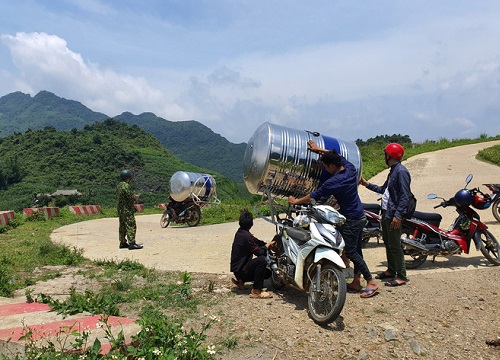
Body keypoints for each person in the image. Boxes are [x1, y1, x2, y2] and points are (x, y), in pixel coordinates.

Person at [288, 140, 379, 298]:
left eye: (325, 167)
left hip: (351, 219)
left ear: (331, 166)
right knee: (357, 250)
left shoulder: (334, 182)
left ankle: (371, 281)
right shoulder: (350, 168)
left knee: (350, 251)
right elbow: (338, 156)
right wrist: (318, 150)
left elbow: (314, 195)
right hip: (360, 216)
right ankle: (356, 281)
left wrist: (295, 201)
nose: (325, 169)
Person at [359, 143, 411, 287]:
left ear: (389, 156)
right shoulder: (393, 171)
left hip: (394, 214)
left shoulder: (401, 172)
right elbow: (384, 190)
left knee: (395, 245)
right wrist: (366, 184)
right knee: (388, 243)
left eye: (385, 154)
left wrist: (398, 215)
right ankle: (391, 270)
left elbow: (405, 196)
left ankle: (401, 276)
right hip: (387, 213)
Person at [230, 210, 276, 299]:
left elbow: (256, 241)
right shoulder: (246, 236)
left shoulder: (241, 232)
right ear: (251, 224)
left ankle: (241, 281)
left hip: (238, 270)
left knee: (267, 273)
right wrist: (267, 246)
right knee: (262, 260)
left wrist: (268, 244)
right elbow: (259, 252)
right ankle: (256, 291)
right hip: (241, 271)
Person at [117, 169, 143, 250]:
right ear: (128, 177)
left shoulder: (119, 185)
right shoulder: (126, 185)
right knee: (131, 225)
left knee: (122, 226)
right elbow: (130, 197)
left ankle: (123, 242)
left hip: (121, 209)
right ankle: (132, 243)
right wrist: (136, 197)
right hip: (127, 209)